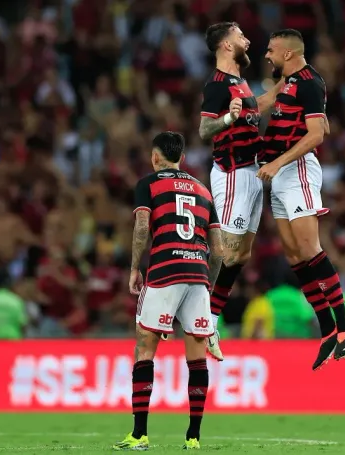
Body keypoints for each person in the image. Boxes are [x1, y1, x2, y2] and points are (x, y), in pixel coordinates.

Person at [113, 132, 224, 451]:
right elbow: (218, 252)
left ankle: (140, 434)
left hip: (164, 271)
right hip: (197, 276)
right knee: (197, 359)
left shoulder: (148, 184)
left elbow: (143, 226)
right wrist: (207, 285)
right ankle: (193, 438)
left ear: (155, 157)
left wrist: (135, 268)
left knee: (144, 350)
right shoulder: (204, 191)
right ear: (182, 158)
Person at [258, 29, 345, 370]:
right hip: (280, 172)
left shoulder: (310, 82)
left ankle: (344, 326)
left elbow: (317, 135)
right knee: (294, 253)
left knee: (310, 248)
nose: (267, 55)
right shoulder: (286, 82)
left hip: (295, 168)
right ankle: (327, 328)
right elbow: (262, 104)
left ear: (287, 53)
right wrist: (228, 106)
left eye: (271, 50)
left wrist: (275, 162)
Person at [198, 22, 283, 361]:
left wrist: (280, 90)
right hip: (233, 174)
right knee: (224, 250)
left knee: (241, 255)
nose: (247, 39)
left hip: (252, 173)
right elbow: (205, 129)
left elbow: (252, 109)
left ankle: (210, 318)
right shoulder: (217, 85)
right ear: (226, 46)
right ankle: (202, 319)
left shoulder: (240, 84)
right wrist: (228, 121)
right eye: (240, 35)